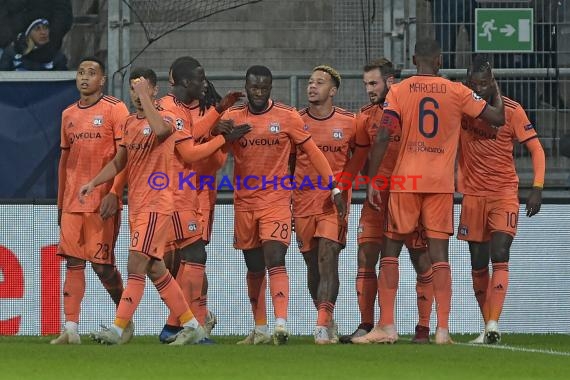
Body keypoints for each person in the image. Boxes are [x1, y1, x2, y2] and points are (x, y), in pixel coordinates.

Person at [81, 67, 248, 345]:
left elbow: (160, 130)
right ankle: (192, 324)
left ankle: (119, 328)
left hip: (158, 204)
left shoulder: (167, 116)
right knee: (156, 268)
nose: (138, 95)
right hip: (139, 204)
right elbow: (119, 161)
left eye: (143, 89)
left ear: (155, 91)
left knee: (136, 262)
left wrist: (147, 99)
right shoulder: (130, 124)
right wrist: (94, 183)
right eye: (134, 89)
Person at [357, 38, 505, 345]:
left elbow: (384, 133)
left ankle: (386, 326)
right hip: (440, 185)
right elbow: (497, 118)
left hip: (404, 182)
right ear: (439, 60)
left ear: (413, 59)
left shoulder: (399, 91)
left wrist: (373, 180)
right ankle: (442, 330)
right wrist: (495, 86)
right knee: (439, 257)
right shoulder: (457, 91)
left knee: (391, 251)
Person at [223, 65, 346, 345]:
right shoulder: (232, 118)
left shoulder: (286, 116)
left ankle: (281, 323)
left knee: (275, 259)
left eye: (264, 88)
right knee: (254, 267)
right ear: (246, 85)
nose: (258, 93)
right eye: (254, 88)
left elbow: (313, 153)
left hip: (276, 201)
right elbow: (213, 155)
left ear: (270, 88)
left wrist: (334, 186)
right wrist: (223, 139)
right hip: (244, 203)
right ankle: (261, 328)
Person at [338, 58, 434, 344]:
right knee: (366, 257)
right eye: (366, 83)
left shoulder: (411, 111)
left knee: (421, 259)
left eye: (373, 83)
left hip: (408, 193)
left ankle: (424, 328)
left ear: (390, 81)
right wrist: (343, 186)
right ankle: (367, 325)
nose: (368, 89)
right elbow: (358, 157)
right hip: (375, 197)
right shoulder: (364, 116)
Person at [457, 56, 545, 344]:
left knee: (500, 253)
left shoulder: (512, 110)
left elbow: (537, 150)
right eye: (474, 84)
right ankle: (488, 328)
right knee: (478, 263)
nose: (479, 89)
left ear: (493, 80)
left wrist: (537, 187)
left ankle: (494, 322)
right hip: (472, 196)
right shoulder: (464, 109)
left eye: (484, 83)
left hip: (504, 194)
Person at [157, 56, 243, 343]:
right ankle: (183, 323)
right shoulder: (172, 110)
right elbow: (192, 153)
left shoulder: (186, 110)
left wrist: (219, 111)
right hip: (176, 194)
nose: (204, 84)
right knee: (181, 260)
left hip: (193, 195)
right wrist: (223, 139)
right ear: (184, 82)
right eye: (200, 79)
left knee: (191, 257)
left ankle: (189, 322)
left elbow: (202, 147)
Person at [51, 56, 130, 345]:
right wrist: (60, 203)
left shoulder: (115, 110)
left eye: (92, 73)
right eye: (81, 72)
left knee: (102, 267)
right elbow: (64, 161)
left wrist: (114, 193)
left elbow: (126, 156)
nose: (85, 77)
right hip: (73, 201)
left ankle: (124, 318)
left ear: (103, 79)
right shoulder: (68, 114)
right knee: (73, 262)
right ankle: (71, 328)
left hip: (102, 202)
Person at [291, 65, 355, 344]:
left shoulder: (350, 122)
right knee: (313, 267)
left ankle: (320, 327)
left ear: (333, 90)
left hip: (333, 203)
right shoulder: (295, 121)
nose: (312, 86)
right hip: (303, 202)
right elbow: (289, 162)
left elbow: (359, 156)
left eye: (319, 82)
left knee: (328, 258)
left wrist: (345, 187)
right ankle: (327, 319)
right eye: (310, 81)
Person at [0, 18, 67, 70]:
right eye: (37, 29)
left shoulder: (57, 57)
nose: (43, 32)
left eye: (46, 28)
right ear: (28, 33)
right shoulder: (11, 53)